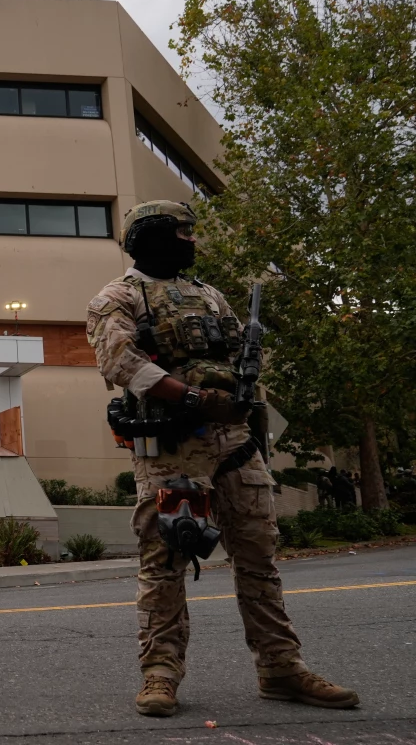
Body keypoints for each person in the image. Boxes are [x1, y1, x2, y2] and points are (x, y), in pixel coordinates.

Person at [86, 200, 358, 718]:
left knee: (259, 558)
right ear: (154, 237)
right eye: (183, 233)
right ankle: (160, 673)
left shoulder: (209, 295)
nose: (192, 241)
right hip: (172, 446)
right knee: (167, 558)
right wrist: (192, 399)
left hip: (234, 443)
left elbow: (236, 358)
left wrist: (246, 415)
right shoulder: (116, 297)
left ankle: (280, 667)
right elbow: (121, 363)